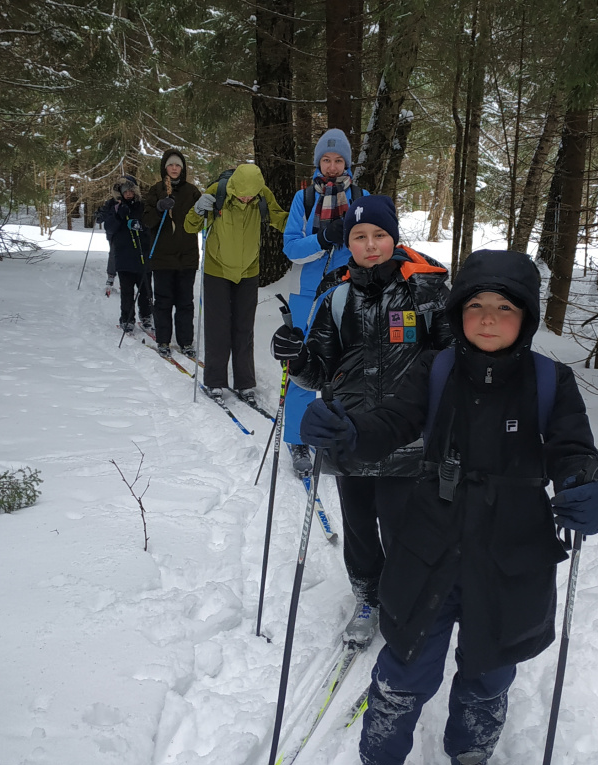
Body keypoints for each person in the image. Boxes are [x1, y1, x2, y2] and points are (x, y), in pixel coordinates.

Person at [299, 249, 598, 765]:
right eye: (476, 306)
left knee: (489, 670)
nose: (488, 319)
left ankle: (470, 755)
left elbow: (572, 448)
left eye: (504, 308)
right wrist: (349, 431)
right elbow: (393, 419)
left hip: (512, 552)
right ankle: (379, 758)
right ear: (459, 311)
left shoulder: (549, 381)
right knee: (406, 661)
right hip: (430, 542)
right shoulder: (437, 367)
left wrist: (585, 486)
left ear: (527, 317)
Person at [271, 194, 454, 646]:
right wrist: (295, 358)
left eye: (379, 235)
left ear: (393, 237)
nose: (370, 245)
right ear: (348, 243)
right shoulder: (336, 295)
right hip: (348, 433)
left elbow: (452, 360)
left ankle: (401, 597)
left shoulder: (426, 290)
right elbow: (320, 369)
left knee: (400, 525)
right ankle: (367, 595)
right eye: (359, 237)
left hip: (406, 438)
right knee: (358, 526)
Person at [281, 128, 367, 475]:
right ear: (318, 163)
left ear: (347, 162)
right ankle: (298, 440)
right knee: (302, 371)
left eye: (338, 160)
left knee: (348, 369)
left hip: (348, 291)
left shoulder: (362, 197)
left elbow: (375, 242)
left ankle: (341, 438)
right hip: (307, 295)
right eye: (326, 160)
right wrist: (323, 237)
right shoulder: (304, 199)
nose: (332, 166)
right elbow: (291, 247)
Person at [184, 163, 288, 401]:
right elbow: (190, 227)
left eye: (251, 196)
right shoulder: (216, 192)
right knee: (217, 328)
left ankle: (245, 383)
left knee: (244, 328)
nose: (246, 198)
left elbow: (279, 219)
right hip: (217, 269)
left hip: (249, 270)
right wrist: (198, 209)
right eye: (243, 194)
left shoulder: (262, 196)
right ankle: (214, 381)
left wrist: (305, 227)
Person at [143, 149, 202, 358]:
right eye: (171, 165)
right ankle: (164, 340)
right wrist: (159, 208)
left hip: (187, 257)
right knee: (163, 301)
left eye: (178, 165)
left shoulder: (192, 192)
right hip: (162, 258)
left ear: (183, 168)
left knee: (185, 302)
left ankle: (186, 341)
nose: (175, 169)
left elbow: (201, 219)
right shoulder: (155, 190)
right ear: (164, 168)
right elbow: (147, 221)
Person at [102, 176, 152, 334]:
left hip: (142, 254)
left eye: (131, 191)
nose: (129, 194)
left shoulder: (142, 206)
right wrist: (119, 216)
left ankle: (146, 316)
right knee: (127, 291)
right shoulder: (114, 206)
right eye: (125, 191)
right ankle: (127, 318)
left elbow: (150, 225)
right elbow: (109, 228)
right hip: (123, 254)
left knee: (145, 289)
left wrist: (142, 227)